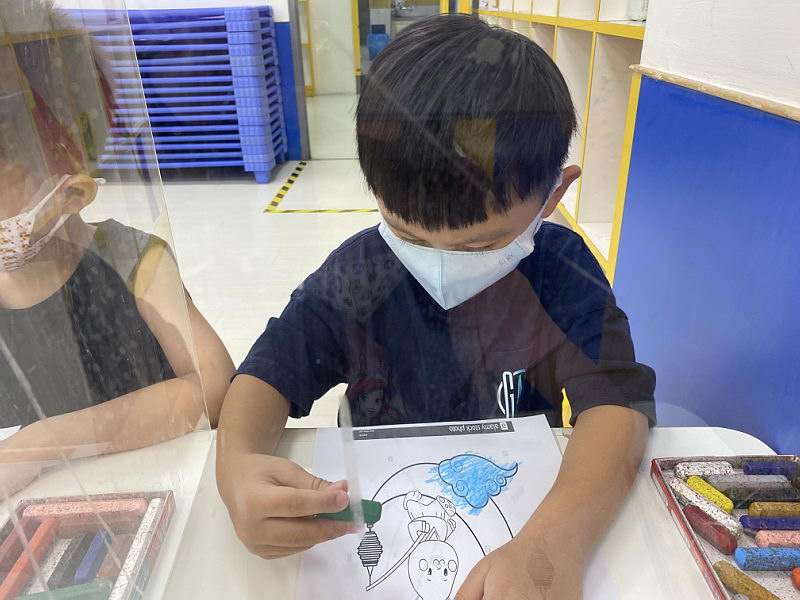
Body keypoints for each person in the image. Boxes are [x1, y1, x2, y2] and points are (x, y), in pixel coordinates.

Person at [216, 14, 655, 599]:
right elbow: (267, 371)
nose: (441, 261)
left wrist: (554, 544)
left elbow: (618, 406)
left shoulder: (560, 270)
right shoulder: (362, 271)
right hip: (382, 519)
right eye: (408, 234)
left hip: (517, 512)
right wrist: (237, 464)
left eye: (480, 245)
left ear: (553, 195)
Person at [0, 1, 235, 497]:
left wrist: (41, 443)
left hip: (143, 492)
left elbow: (214, 385)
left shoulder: (131, 258)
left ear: (70, 189)